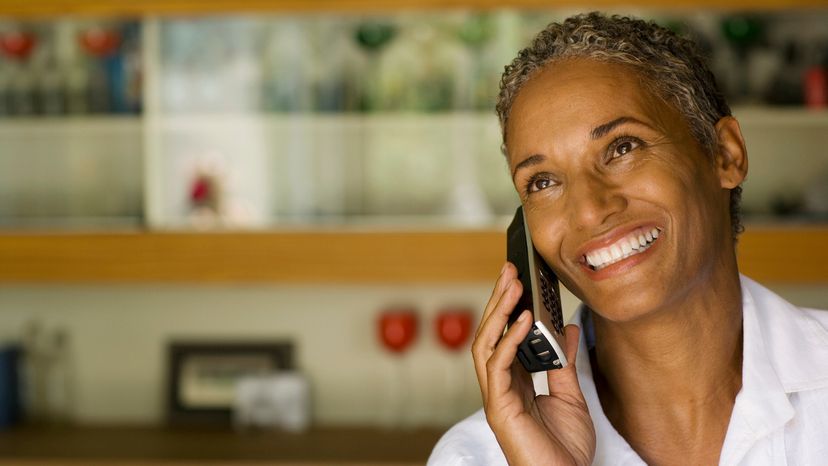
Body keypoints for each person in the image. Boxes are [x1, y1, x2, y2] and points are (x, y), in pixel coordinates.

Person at [428, 12, 828, 466]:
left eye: (622, 148)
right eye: (542, 181)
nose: (589, 210)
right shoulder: (476, 456)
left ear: (724, 154)